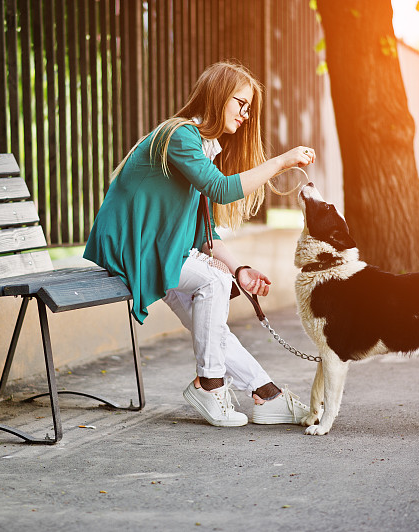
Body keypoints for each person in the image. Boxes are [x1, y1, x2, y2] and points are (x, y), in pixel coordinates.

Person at [83, 61, 316, 427]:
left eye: (249, 107)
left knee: (214, 317)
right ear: (218, 96)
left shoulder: (203, 148)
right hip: (133, 250)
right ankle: (209, 385)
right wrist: (283, 162)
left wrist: (239, 268)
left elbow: (203, 236)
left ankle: (265, 393)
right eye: (240, 102)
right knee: (213, 281)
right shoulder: (180, 136)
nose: (246, 113)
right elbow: (222, 190)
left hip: (162, 251)